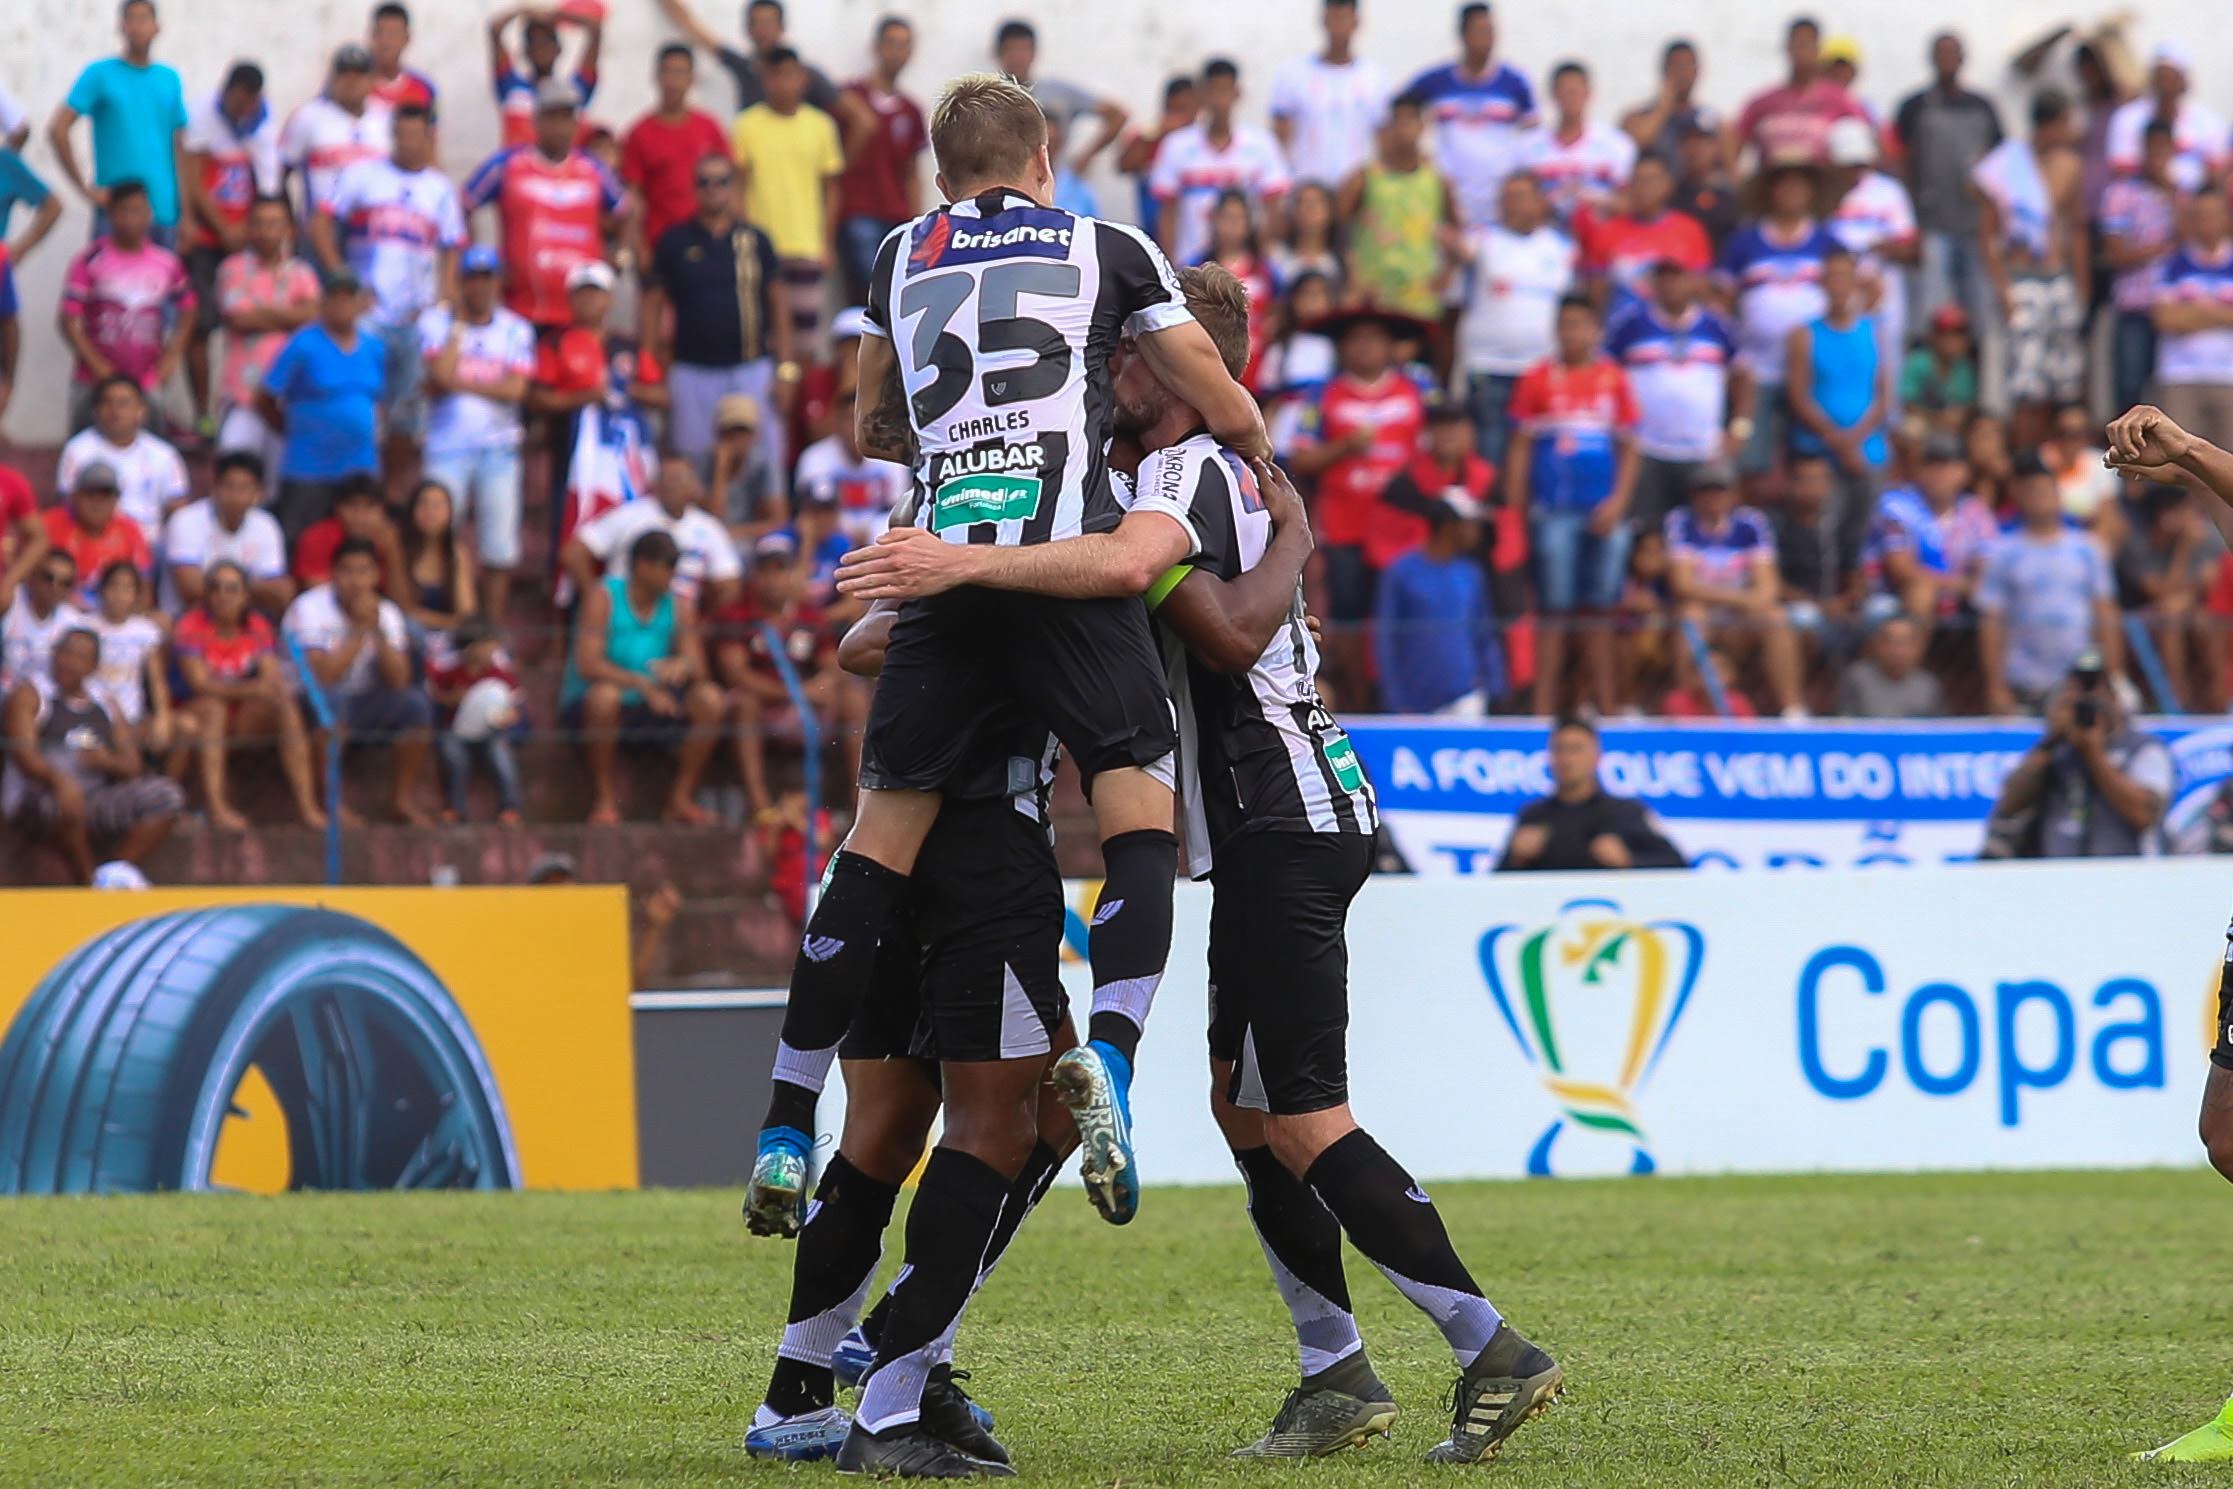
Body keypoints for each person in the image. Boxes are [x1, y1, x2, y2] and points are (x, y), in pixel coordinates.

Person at [838, 264, 1560, 1470]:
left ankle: (1492, 1347)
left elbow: (1216, 631)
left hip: (1283, 819)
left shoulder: (1184, 477)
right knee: (1247, 1110)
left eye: (1120, 354)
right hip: (1268, 827)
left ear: (1175, 369)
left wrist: (1277, 545)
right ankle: (1332, 1367)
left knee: (1304, 1117)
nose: (1098, 371)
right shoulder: (1160, 484)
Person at [747, 72, 1269, 1264]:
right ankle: (1116, 1057)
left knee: (875, 847)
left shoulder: (894, 256)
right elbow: (1210, 391)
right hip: (1061, 557)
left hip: (935, 566)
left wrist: (944, 438)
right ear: (1042, 161)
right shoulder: (1110, 242)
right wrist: (1249, 439)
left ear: (942, 177)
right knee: (1136, 801)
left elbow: (872, 421)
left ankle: (784, 1118)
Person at [1507, 294, 1639, 717]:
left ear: (1597, 331)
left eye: (1581, 324)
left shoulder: (1614, 378)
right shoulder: (1537, 378)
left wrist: (1619, 503)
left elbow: (1630, 447)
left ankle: (1606, 704)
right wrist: (1517, 508)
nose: (1573, 333)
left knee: (1601, 612)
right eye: (1565, 325)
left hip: (1605, 511)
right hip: (1554, 510)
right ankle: (1544, 708)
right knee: (1554, 611)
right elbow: (1521, 448)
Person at [1287, 307, 1427, 700]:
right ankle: (1355, 699)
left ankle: (1400, 697)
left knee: (1401, 619)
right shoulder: (1323, 394)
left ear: (1390, 346)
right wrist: (1345, 448)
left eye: (1374, 338)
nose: (1365, 347)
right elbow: (1300, 458)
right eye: (1356, 339)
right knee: (1349, 619)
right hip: (1345, 526)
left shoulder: (1418, 389)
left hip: (1405, 529)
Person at [313, 102, 463, 458]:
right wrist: (343, 281)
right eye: (402, 133)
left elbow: (452, 248)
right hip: (369, 314)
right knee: (362, 404)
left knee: (408, 416)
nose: (408, 142)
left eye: (416, 134)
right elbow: (320, 225)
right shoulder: (361, 175)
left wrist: (442, 300)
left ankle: (396, 499)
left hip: (416, 318)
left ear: (430, 137)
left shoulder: (440, 189)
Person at [562, 527, 727, 825]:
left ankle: (681, 798)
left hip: (657, 703)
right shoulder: (604, 596)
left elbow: (699, 668)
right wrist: (643, 684)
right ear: (642, 565)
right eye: (667, 567)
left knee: (710, 699)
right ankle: (605, 800)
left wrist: (682, 665)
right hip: (604, 701)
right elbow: (588, 664)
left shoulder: (678, 605)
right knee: (604, 697)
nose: (672, 575)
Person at [646, 151, 792, 485]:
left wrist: (785, 370)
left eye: (721, 181)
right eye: (704, 182)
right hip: (691, 372)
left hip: (750, 368)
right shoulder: (673, 242)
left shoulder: (756, 241)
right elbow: (652, 306)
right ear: (694, 189)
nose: (713, 189)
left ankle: (765, 532)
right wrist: (651, 368)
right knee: (693, 459)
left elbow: (779, 307)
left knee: (762, 459)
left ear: (734, 186)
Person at [3, 626, 184, 885]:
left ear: (93, 666)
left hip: (96, 797)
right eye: (65, 653)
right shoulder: (32, 694)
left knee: (166, 796)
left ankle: (111, 874)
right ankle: (87, 884)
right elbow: (23, 754)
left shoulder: (104, 702)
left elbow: (133, 765)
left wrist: (106, 762)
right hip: (39, 795)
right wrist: (59, 781)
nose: (69, 663)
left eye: (79, 657)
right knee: (64, 805)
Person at [419, 246, 534, 625]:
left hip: (499, 448)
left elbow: (516, 390)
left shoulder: (516, 328)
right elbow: (439, 375)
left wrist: (459, 383)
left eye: (488, 278)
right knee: (439, 536)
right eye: (473, 278)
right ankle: (450, 623)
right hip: (446, 446)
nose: (480, 286)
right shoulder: (438, 322)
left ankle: (491, 632)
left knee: (498, 546)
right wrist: (458, 325)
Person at [283, 534, 433, 823]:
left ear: (376, 575)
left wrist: (376, 631)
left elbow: (399, 680)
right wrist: (358, 631)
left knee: (416, 705)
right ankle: (331, 802)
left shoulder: (386, 612)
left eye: (364, 571)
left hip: (363, 699)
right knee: (333, 701)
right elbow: (322, 677)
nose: (356, 580)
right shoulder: (309, 608)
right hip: (307, 700)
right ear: (333, 573)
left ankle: (401, 800)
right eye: (347, 571)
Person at [1973, 90, 2088, 450]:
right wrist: (2002, 288)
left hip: (2058, 281)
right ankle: (2023, 459)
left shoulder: (2070, 165)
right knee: (2025, 384)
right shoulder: (2006, 165)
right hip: (2022, 280)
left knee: (2065, 381)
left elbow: (2075, 228)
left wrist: (2080, 286)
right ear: (2053, 124)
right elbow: (1988, 234)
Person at [464, 79, 626, 335]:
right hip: (520, 312)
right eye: (552, 118)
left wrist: (618, 255)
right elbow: (463, 205)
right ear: (536, 121)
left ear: (576, 124)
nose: (559, 127)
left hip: (579, 317)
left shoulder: (594, 170)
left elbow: (626, 212)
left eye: (566, 118)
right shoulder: (508, 164)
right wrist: (476, 260)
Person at [174, 558, 323, 829]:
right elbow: (200, 685)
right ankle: (217, 807)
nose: (223, 596)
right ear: (207, 595)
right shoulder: (191, 626)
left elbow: (270, 678)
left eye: (232, 589)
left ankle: (307, 807)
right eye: (216, 589)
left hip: (241, 714)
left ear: (245, 596)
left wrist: (254, 690)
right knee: (213, 708)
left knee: (286, 707)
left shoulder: (256, 625)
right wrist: (251, 689)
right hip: (197, 711)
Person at [1605, 258, 1748, 536]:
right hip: (1646, 449)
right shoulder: (1630, 325)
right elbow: (1607, 376)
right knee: (1645, 533)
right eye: (1664, 278)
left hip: (1703, 450)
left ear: (1693, 281)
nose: (1671, 285)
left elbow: (1744, 376)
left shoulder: (1716, 326)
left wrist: (1739, 430)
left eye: (1678, 277)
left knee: (1699, 532)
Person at [714, 532, 845, 834]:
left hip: (802, 709)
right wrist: (797, 692)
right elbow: (737, 674)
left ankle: (858, 801)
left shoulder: (809, 615)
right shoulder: (736, 613)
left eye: (780, 570)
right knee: (745, 703)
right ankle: (760, 807)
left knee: (852, 697)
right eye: (765, 570)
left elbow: (832, 664)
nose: (773, 579)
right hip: (761, 704)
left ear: (792, 574)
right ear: (754, 575)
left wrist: (823, 684)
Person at [1718, 159, 1838, 486]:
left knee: (1808, 455)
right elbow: (1724, 298)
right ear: (1770, 192)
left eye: (1799, 186)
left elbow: (1862, 286)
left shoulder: (1828, 240)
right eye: (1784, 186)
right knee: (1751, 454)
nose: (1791, 193)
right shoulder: (1745, 241)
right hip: (1758, 368)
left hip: (1814, 369)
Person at [533, 260, 664, 558]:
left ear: (610, 298)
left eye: (596, 292)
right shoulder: (556, 342)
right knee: (570, 515)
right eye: (582, 293)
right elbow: (540, 398)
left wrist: (625, 390)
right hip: (571, 448)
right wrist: (589, 396)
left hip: (622, 454)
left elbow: (660, 394)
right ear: (571, 298)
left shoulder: (626, 346)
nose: (589, 300)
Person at [180, 62, 281, 442]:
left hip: (246, 240)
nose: (239, 110)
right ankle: (203, 414)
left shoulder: (264, 124)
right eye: (234, 101)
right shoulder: (200, 113)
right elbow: (191, 178)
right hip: (208, 240)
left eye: (246, 104)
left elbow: (268, 185)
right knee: (201, 325)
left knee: (247, 323)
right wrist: (222, 228)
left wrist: (253, 232)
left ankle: (245, 404)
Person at [1977, 454, 2120, 716]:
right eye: (2032, 492)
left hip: (2079, 679)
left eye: (2046, 491)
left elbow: (2105, 614)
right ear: (2019, 498)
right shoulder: (2002, 553)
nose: (2040, 498)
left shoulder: (2087, 549)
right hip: (2023, 681)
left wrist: (2113, 675)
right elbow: (1991, 622)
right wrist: (1995, 686)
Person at [1985, 656, 2168, 859]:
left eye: (2096, 693)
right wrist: (2050, 740)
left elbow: (2143, 815)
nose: (2085, 702)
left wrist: (2093, 753)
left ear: (2115, 699)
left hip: (2123, 874)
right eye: (2075, 693)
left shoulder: (2144, 748)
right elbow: (2010, 804)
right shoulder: (2054, 750)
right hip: (2055, 875)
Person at [1447, 169, 1569, 469]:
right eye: (1506, 198)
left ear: (1541, 202)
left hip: (1542, 369)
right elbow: (1460, 254)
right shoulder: (1482, 238)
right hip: (1490, 367)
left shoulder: (1561, 247)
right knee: (1491, 457)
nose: (1512, 205)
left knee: (1539, 460)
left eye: (1521, 197)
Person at [1663, 462, 1804, 718]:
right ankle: (1685, 705)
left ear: (1733, 494)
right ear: (1694, 495)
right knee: (1691, 616)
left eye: (1720, 491)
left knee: (1775, 617)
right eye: (1705, 492)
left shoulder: (1751, 523)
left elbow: (1768, 587)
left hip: (1741, 615)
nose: (1712, 498)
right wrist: (1738, 598)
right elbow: (1682, 585)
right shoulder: (1681, 522)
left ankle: (1791, 708)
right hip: (1710, 609)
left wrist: (1739, 601)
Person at [258, 269, 385, 546]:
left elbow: (378, 400)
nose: (342, 305)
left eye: (348, 298)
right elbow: (266, 397)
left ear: (360, 304)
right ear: (323, 303)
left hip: (359, 467)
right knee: (302, 541)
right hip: (309, 467)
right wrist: (292, 430)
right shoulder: (303, 344)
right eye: (334, 298)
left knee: (359, 545)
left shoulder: (374, 347)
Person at [58, 179, 195, 432]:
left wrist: (172, 355)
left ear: (149, 214)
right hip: (94, 378)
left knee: (151, 453)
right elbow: (67, 320)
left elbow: (189, 308)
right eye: (124, 210)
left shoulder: (166, 262)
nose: (131, 219)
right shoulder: (89, 260)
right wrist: (96, 364)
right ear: (110, 214)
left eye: (138, 210)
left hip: (147, 377)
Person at [730, 47, 843, 352]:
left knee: (805, 340)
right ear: (765, 80)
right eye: (775, 76)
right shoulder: (746, 126)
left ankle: (803, 401)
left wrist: (827, 243)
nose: (783, 83)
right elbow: (737, 187)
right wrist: (743, 237)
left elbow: (831, 189)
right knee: (763, 336)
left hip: (807, 247)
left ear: (802, 79)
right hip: (760, 248)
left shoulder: (821, 126)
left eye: (789, 75)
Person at [46, 0, 188, 240]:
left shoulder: (169, 78)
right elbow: (58, 129)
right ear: (121, 27)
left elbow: (180, 147)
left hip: (164, 213)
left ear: (157, 27)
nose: (138, 26)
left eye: (144, 19)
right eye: (131, 19)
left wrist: (187, 212)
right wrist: (83, 188)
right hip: (116, 213)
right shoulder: (100, 74)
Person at [1785, 246, 1891, 565]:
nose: (1838, 285)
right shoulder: (1805, 334)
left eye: (1845, 277)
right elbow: (1798, 395)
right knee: (1824, 532)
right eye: (1831, 277)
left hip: (1868, 451)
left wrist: (1855, 439)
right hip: (1821, 451)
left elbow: (1883, 396)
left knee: (1865, 529)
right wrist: (1838, 440)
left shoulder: (1873, 330)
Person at [1895, 33, 2004, 339]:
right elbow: (1901, 162)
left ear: (1963, 58)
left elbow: (2001, 164)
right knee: (1933, 312)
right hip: (1932, 225)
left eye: (1952, 53)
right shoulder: (1914, 106)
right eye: (1940, 53)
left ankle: (1976, 379)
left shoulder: (1983, 107)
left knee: (1979, 312)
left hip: (1975, 228)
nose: (1946, 59)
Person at [1400, 2, 1537, 230]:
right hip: (1449, 201)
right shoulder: (1435, 82)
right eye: (1480, 32)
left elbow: (1533, 138)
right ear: (1463, 35)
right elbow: (1400, 116)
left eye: (1491, 32)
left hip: (1499, 204)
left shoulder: (1515, 84)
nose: (1487, 39)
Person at [214, 193, 319, 478]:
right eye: (259, 223)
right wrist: (290, 316)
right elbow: (238, 318)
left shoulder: (303, 272)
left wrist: (262, 316)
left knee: (277, 483)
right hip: (243, 394)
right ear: (248, 227)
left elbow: (313, 318)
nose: (266, 231)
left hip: (288, 398)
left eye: (274, 223)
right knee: (233, 473)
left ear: (289, 229)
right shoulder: (232, 268)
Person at [1151, 59, 1292, 270]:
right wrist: (1168, 268)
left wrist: (1263, 265)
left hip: (1245, 269)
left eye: (1225, 91)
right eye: (1213, 91)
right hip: (1191, 266)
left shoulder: (1261, 144)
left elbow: (1273, 211)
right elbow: (1167, 214)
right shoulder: (1176, 146)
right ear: (1202, 95)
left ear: (1237, 94)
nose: (1220, 101)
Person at [1496, 713, 1682, 870]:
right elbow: (1492, 882)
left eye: (1576, 750)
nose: (1566, 759)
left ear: (1597, 756)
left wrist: (1630, 861)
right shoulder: (1533, 815)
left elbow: (1677, 864)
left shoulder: (1624, 812)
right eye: (1559, 749)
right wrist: (1515, 858)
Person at [1373, 489, 1500, 714]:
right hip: (1416, 701)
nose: (1475, 531)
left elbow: (1483, 633)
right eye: (1468, 524)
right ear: (1448, 526)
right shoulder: (1402, 572)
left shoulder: (1470, 573)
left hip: (1466, 694)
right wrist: (1395, 699)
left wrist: (1494, 684)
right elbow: (1385, 639)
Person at [561, 461, 741, 612]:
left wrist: (702, 619)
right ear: (656, 484)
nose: (671, 486)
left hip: (681, 618)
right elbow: (573, 553)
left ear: (695, 488)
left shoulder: (709, 527)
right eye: (666, 479)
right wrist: (596, 600)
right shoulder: (630, 515)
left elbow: (729, 582)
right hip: (625, 613)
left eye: (679, 480)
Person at [831, 17, 926, 304]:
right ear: (876, 47)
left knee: (896, 297)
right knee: (868, 295)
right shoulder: (850, 99)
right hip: (857, 211)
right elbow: (835, 164)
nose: (897, 52)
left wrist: (918, 224)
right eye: (891, 44)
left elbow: (911, 172)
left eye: (904, 45)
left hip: (896, 216)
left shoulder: (911, 110)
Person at [1861, 432, 1996, 627]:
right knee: (1921, 591)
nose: (1938, 473)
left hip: (1960, 598)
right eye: (1931, 465)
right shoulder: (1897, 505)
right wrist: (1962, 585)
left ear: (1964, 471)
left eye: (1947, 465)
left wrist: (1976, 584)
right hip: (1893, 599)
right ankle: (1917, 657)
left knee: (1996, 599)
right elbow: (1902, 571)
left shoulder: (1975, 510)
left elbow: (1988, 565)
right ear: (1919, 470)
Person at [1336, 94, 1446, 322]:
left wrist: (1447, 274)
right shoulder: (1364, 177)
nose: (1404, 128)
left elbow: (1456, 234)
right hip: (1374, 299)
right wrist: (1352, 277)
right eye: (1398, 121)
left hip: (1420, 302)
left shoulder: (1436, 180)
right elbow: (1335, 228)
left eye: (1411, 120)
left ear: (1423, 126)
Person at [2100, 118, 2183, 415]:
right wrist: (2161, 248)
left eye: (2165, 149)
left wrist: (2172, 197)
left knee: (2169, 397)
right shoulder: (2121, 194)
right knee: (2131, 389)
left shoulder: (2181, 194)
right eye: (2153, 149)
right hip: (2135, 306)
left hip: (2173, 309)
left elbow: (2191, 240)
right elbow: (2115, 254)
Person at [1826, 117, 1917, 387]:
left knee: (1886, 367)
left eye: (1859, 164)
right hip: (1838, 295)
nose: (1854, 171)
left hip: (1885, 296)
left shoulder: (1888, 192)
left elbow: (1911, 247)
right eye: (1847, 165)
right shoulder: (1824, 195)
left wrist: (1878, 247)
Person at [622, 44, 729, 266]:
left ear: (692, 79)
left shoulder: (709, 127)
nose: (673, 80)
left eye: (680, 72)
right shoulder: (639, 133)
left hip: (709, 244)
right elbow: (634, 198)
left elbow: (730, 185)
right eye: (667, 72)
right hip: (659, 244)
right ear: (656, 77)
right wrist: (640, 247)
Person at [2117, 487, 2219, 712]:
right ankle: (2176, 696)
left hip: (2188, 609)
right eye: (2184, 510)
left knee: (2203, 621)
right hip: (2139, 616)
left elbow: (2212, 583)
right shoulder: (2137, 544)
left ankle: (2217, 698)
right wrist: (2184, 549)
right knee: (2171, 614)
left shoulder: (2206, 537)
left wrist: (2189, 596)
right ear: (2164, 515)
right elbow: (2162, 592)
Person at [1268, 0, 1387, 189]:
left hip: (1357, 193)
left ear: (1356, 22)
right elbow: (1278, 140)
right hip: (1306, 191)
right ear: (1323, 21)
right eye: (1333, 19)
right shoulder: (1292, 74)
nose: (1338, 27)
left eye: (1344, 19)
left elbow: (1384, 141)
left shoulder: (1376, 78)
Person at [654, 0, 841, 119]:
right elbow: (695, 29)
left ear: (782, 27)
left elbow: (859, 117)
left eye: (768, 23)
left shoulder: (805, 75)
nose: (761, 30)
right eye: (755, 23)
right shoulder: (745, 67)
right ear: (747, 29)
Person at [2152, 189, 2233, 460]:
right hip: (2180, 376)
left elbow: (2178, 316)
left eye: (2213, 215)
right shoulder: (2172, 264)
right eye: (2199, 216)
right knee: (2182, 464)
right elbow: (2165, 318)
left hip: (2228, 377)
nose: (2206, 222)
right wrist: (2222, 313)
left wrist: (2192, 311)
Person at [159, 448, 290, 615]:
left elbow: (279, 594)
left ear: (259, 493)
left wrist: (221, 589)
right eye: (229, 486)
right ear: (215, 487)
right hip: (189, 619)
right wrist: (252, 590)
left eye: (244, 488)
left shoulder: (266, 525)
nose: (235, 496)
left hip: (245, 624)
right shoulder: (185, 520)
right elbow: (191, 591)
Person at [58, 375, 188, 538]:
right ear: (97, 410)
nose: (115, 410)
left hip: (151, 542)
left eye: (123, 403)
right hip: (97, 538)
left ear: (141, 410)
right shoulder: (77, 449)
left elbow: (177, 506)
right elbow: (69, 502)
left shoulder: (163, 454)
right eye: (108, 403)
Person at [1581, 152, 1709, 316]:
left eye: (1651, 180)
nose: (1645, 187)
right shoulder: (1607, 232)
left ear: (1667, 184)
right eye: (1638, 180)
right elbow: (1597, 295)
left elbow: (1699, 290)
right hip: (1623, 330)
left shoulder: (1690, 230)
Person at [991, 18, 1129, 169]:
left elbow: (1118, 115)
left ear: (1035, 53)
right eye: (1011, 49)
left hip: (1055, 185)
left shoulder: (1058, 92)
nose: (1017, 57)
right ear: (998, 53)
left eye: (1024, 49)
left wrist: (1085, 158)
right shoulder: (985, 99)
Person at [1514, 60, 1635, 232]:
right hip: (1546, 242)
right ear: (1553, 95)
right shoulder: (1528, 148)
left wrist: (1591, 198)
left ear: (1588, 93)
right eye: (1564, 91)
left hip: (1601, 239)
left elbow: (1630, 203)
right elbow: (1517, 204)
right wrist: (1555, 199)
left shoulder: (1616, 144)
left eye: (1576, 91)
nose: (1570, 97)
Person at [1731, 16, 1866, 169]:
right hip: (1772, 188)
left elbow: (1865, 147)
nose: (1802, 51)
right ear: (1787, 48)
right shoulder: (1762, 103)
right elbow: (1734, 142)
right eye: (1797, 44)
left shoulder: (1840, 101)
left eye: (1807, 44)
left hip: (1822, 188)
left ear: (1818, 50)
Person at [427, 614, 524, 824]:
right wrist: (451, 699)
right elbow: (435, 696)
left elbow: (515, 705)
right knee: (454, 758)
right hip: (456, 732)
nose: (491, 651)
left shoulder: (500, 676)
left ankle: (510, 807)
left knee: (501, 758)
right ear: (469, 647)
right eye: (486, 645)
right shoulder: (450, 673)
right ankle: (455, 808)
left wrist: (508, 716)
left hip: (490, 732)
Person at [279, 45, 391, 220]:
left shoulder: (386, 119)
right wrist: (288, 220)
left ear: (371, 80)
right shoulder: (308, 117)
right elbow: (280, 171)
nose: (351, 82)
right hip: (319, 226)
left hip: (371, 229)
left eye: (359, 75)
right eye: (344, 75)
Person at [793, 388, 911, 546]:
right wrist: (848, 532)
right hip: (830, 538)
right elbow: (808, 514)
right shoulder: (815, 458)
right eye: (850, 419)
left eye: (863, 419)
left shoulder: (892, 457)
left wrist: (869, 533)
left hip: (878, 536)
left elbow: (899, 511)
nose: (856, 426)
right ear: (837, 421)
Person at [85, 561, 175, 763]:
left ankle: (160, 784)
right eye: (113, 586)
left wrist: (162, 717)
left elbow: (156, 679)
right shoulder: (85, 626)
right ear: (102, 590)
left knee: (185, 728)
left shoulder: (145, 631)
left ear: (136, 595)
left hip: (133, 718)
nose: (119, 594)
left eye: (127, 588)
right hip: (92, 717)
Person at [2103, 42, 2226, 187]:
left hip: (2193, 205)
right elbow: (2121, 169)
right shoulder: (2127, 118)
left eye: (2171, 77)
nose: (2165, 84)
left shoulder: (2209, 122)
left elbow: (2217, 173)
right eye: (2161, 77)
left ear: (2184, 81)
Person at [487, 3, 601, 150]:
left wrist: (555, 14)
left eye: (546, 42)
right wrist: (524, 10)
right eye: (534, 43)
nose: (540, 49)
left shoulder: (575, 90)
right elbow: (494, 29)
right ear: (525, 51)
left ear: (558, 49)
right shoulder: (511, 87)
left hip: (563, 172)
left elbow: (595, 30)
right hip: (517, 171)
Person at [42, 461, 153, 610]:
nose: (97, 502)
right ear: (74, 497)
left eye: (105, 495)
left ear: (115, 501)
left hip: (112, 617)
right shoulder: (49, 524)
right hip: (59, 612)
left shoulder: (129, 530)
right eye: (90, 494)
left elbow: (144, 589)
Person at [394, 478, 476, 634]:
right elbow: (404, 609)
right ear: (412, 510)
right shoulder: (399, 550)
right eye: (423, 504)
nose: (430, 512)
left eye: (438, 506)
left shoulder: (457, 552)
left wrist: (440, 621)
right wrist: (449, 622)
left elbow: (466, 613)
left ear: (451, 513)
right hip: (408, 634)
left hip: (449, 636)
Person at [292, 472, 399, 591]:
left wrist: (393, 553)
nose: (360, 515)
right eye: (352, 506)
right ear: (337, 508)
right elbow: (314, 587)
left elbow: (403, 602)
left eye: (369, 506)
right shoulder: (316, 537)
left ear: (383, 511)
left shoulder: (393, 536)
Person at [1622, 39, 1721, 166]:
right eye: (1677, 66)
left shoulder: (1711, 122)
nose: (1683, 73)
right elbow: (1635, 143)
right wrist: (1663, 107)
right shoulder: (1638, 117)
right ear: (1664, 70)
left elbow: (1731, 175)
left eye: (1689, 65)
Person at [2, 551, 87, 694]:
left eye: (64, 583)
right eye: (48, 578)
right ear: (32, 576)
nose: (55, 587)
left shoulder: (72, 622)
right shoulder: (10, 603)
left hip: (49, 702)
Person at [1836, 612, 1944, 718]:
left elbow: (1940, 728)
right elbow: (1844, 722)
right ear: (1877, 644)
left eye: (1903, 642)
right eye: (1890, 641)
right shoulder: (1858, 679)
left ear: (1917, 647)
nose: (1896, 650)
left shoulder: (1928, 685)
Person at [1900, 306, 1979, 436]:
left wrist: (1956, 417)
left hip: (1952, 426)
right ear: (1934, 336)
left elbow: (1966, 406)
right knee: (1912, 428)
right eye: (1946, 334)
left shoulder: (1963, 367)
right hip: (1923, 422)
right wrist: (1937, 418)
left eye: (1958, 335)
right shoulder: (1919, 361)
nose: (1952, 341)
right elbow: (1908, 404)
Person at [366, 2, 437, 116]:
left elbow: (429, 132)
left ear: (407, 38)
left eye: (393, 34)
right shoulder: (352, 84)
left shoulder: (423, 88)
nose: (385, 41)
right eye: (380, 32)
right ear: (372, 36)